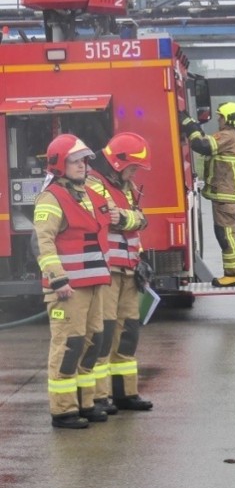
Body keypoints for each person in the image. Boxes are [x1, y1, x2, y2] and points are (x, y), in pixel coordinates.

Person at [33, 134, 114, 429]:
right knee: (68, 345)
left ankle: (86, 402)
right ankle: (63, 410)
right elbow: (45, 243)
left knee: (93, 342)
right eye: (75, 160)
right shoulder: (51, 198)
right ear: (59, 164)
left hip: (94, 283)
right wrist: (58, 280)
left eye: (84, 160)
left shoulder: (89, 195)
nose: (83, 165)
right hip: (68, 289)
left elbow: (107, 225)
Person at [86, 132, 154, 413]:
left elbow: (140, 219)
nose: (135, 173)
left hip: (128, 270)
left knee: (128, 331)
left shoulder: (124, 186)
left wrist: (128, 220)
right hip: (108, 271)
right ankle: (100, 397)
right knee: (104, 331)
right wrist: (130, 219)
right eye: (133, 167)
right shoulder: (95, 184)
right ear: (117, 163)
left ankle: (125, 393)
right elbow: (107, 218)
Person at [180, 102, 235, 287]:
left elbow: (203, 145)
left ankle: (233, 274)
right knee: (226, 233)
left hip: (225, 196)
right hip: (226, 195)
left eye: (221, 116)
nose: (218, 119)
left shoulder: (228, 135)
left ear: (230, 119)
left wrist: (190, 126)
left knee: (225, 234)